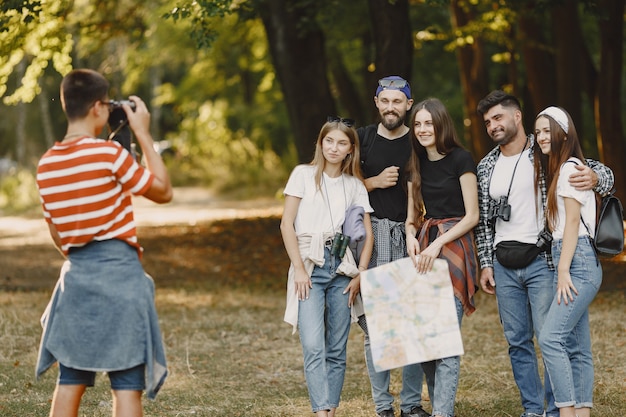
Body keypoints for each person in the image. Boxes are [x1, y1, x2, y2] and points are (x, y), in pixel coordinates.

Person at [35, 68, 172, 417]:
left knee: (70, 380)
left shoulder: (46, 165)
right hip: (121, 278)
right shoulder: (109, 156)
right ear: (99, 107)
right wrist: (142, 132)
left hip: (76, 278)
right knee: (126, 385)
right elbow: (163, 191)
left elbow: (58, 236)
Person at [475, 90, 613, 417]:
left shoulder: (543, 153)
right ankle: (533, 409)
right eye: (487, 122)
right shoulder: (486, 165)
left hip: (543, 261)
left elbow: (598, 173)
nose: (493, 125)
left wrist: (596, 177)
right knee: (517, 342)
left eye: (498, 118)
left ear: (516, 116)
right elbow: (482, 221)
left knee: (552, 338)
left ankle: (556, 409)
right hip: (503, 263)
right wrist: (484, 263)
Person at [281, 116, 374, 417]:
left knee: (336, 347)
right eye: (329, 141)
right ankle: (322, 411)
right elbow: (286, 224)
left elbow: (367, 233)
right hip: (309, 262)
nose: (334, 148)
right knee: (313, 344)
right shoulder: (302, 175)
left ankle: (328, 412)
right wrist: (299, 268)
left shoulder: (355, 185)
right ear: (321, 143)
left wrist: (360, 272)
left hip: (342, 269)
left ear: (350, 149)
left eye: (342, 143)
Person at [356, 75, 431, 417]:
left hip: (408, 237)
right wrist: (372, 182)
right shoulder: (362, 139)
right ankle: (383, 406)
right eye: (384, 101)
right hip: (373, 239)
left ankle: (412, 404)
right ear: (376, 103)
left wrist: (413, 228)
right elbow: (340, 183)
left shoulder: (416, 142)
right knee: (377, 329)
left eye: (397, 102)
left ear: (408, 105)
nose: (390, 107)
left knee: (411, 324)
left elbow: (419, 190)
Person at [405, 98, 479, 417]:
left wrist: (438, 244)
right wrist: (411, 235)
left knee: (445, 341)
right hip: (424, 250)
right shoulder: (416, 163)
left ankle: (442, 414)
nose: (422, 129)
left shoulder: (461, 159)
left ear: (441, 124)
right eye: (417, 124)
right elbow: (412, 217)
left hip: (453, 247)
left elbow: (471, 215)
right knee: (425, 342)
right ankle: (440, 409)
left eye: (428, 123)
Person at [534, 107, 601, 417]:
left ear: (564, 132)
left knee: (550, 338)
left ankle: (566, 411)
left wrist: (562, 270)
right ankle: (581, 413)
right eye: (537, 132)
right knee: (577, 345)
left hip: (577, 261)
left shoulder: (569, 168)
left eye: (547, 130)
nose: (541, 137)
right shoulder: (563, 168)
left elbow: (572, 222)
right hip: (577, 257)